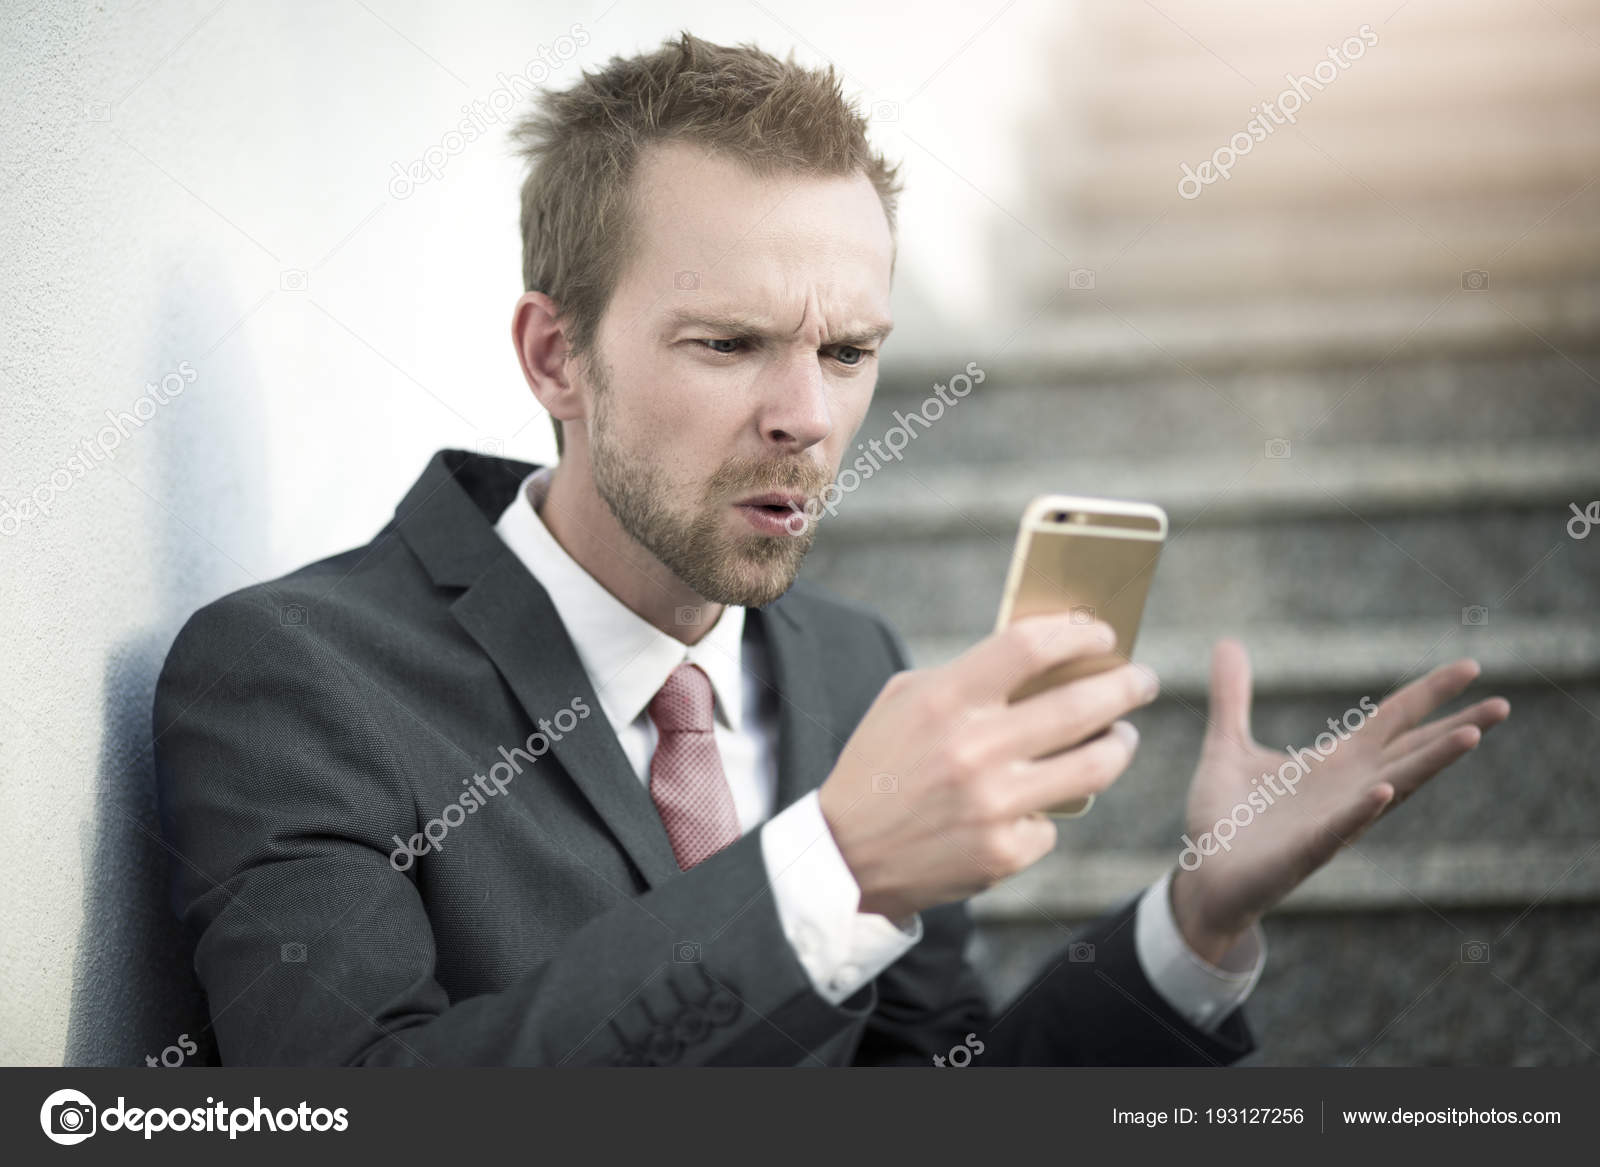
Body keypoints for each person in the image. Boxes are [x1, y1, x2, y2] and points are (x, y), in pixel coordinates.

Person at [153, 32, 1509, 1066]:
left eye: (849, 351)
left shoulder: (853, 663)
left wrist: (1193, 930)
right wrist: (836, 866)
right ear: (554, 354)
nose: (807, 417)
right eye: (729, 342)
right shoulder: (293, 678)